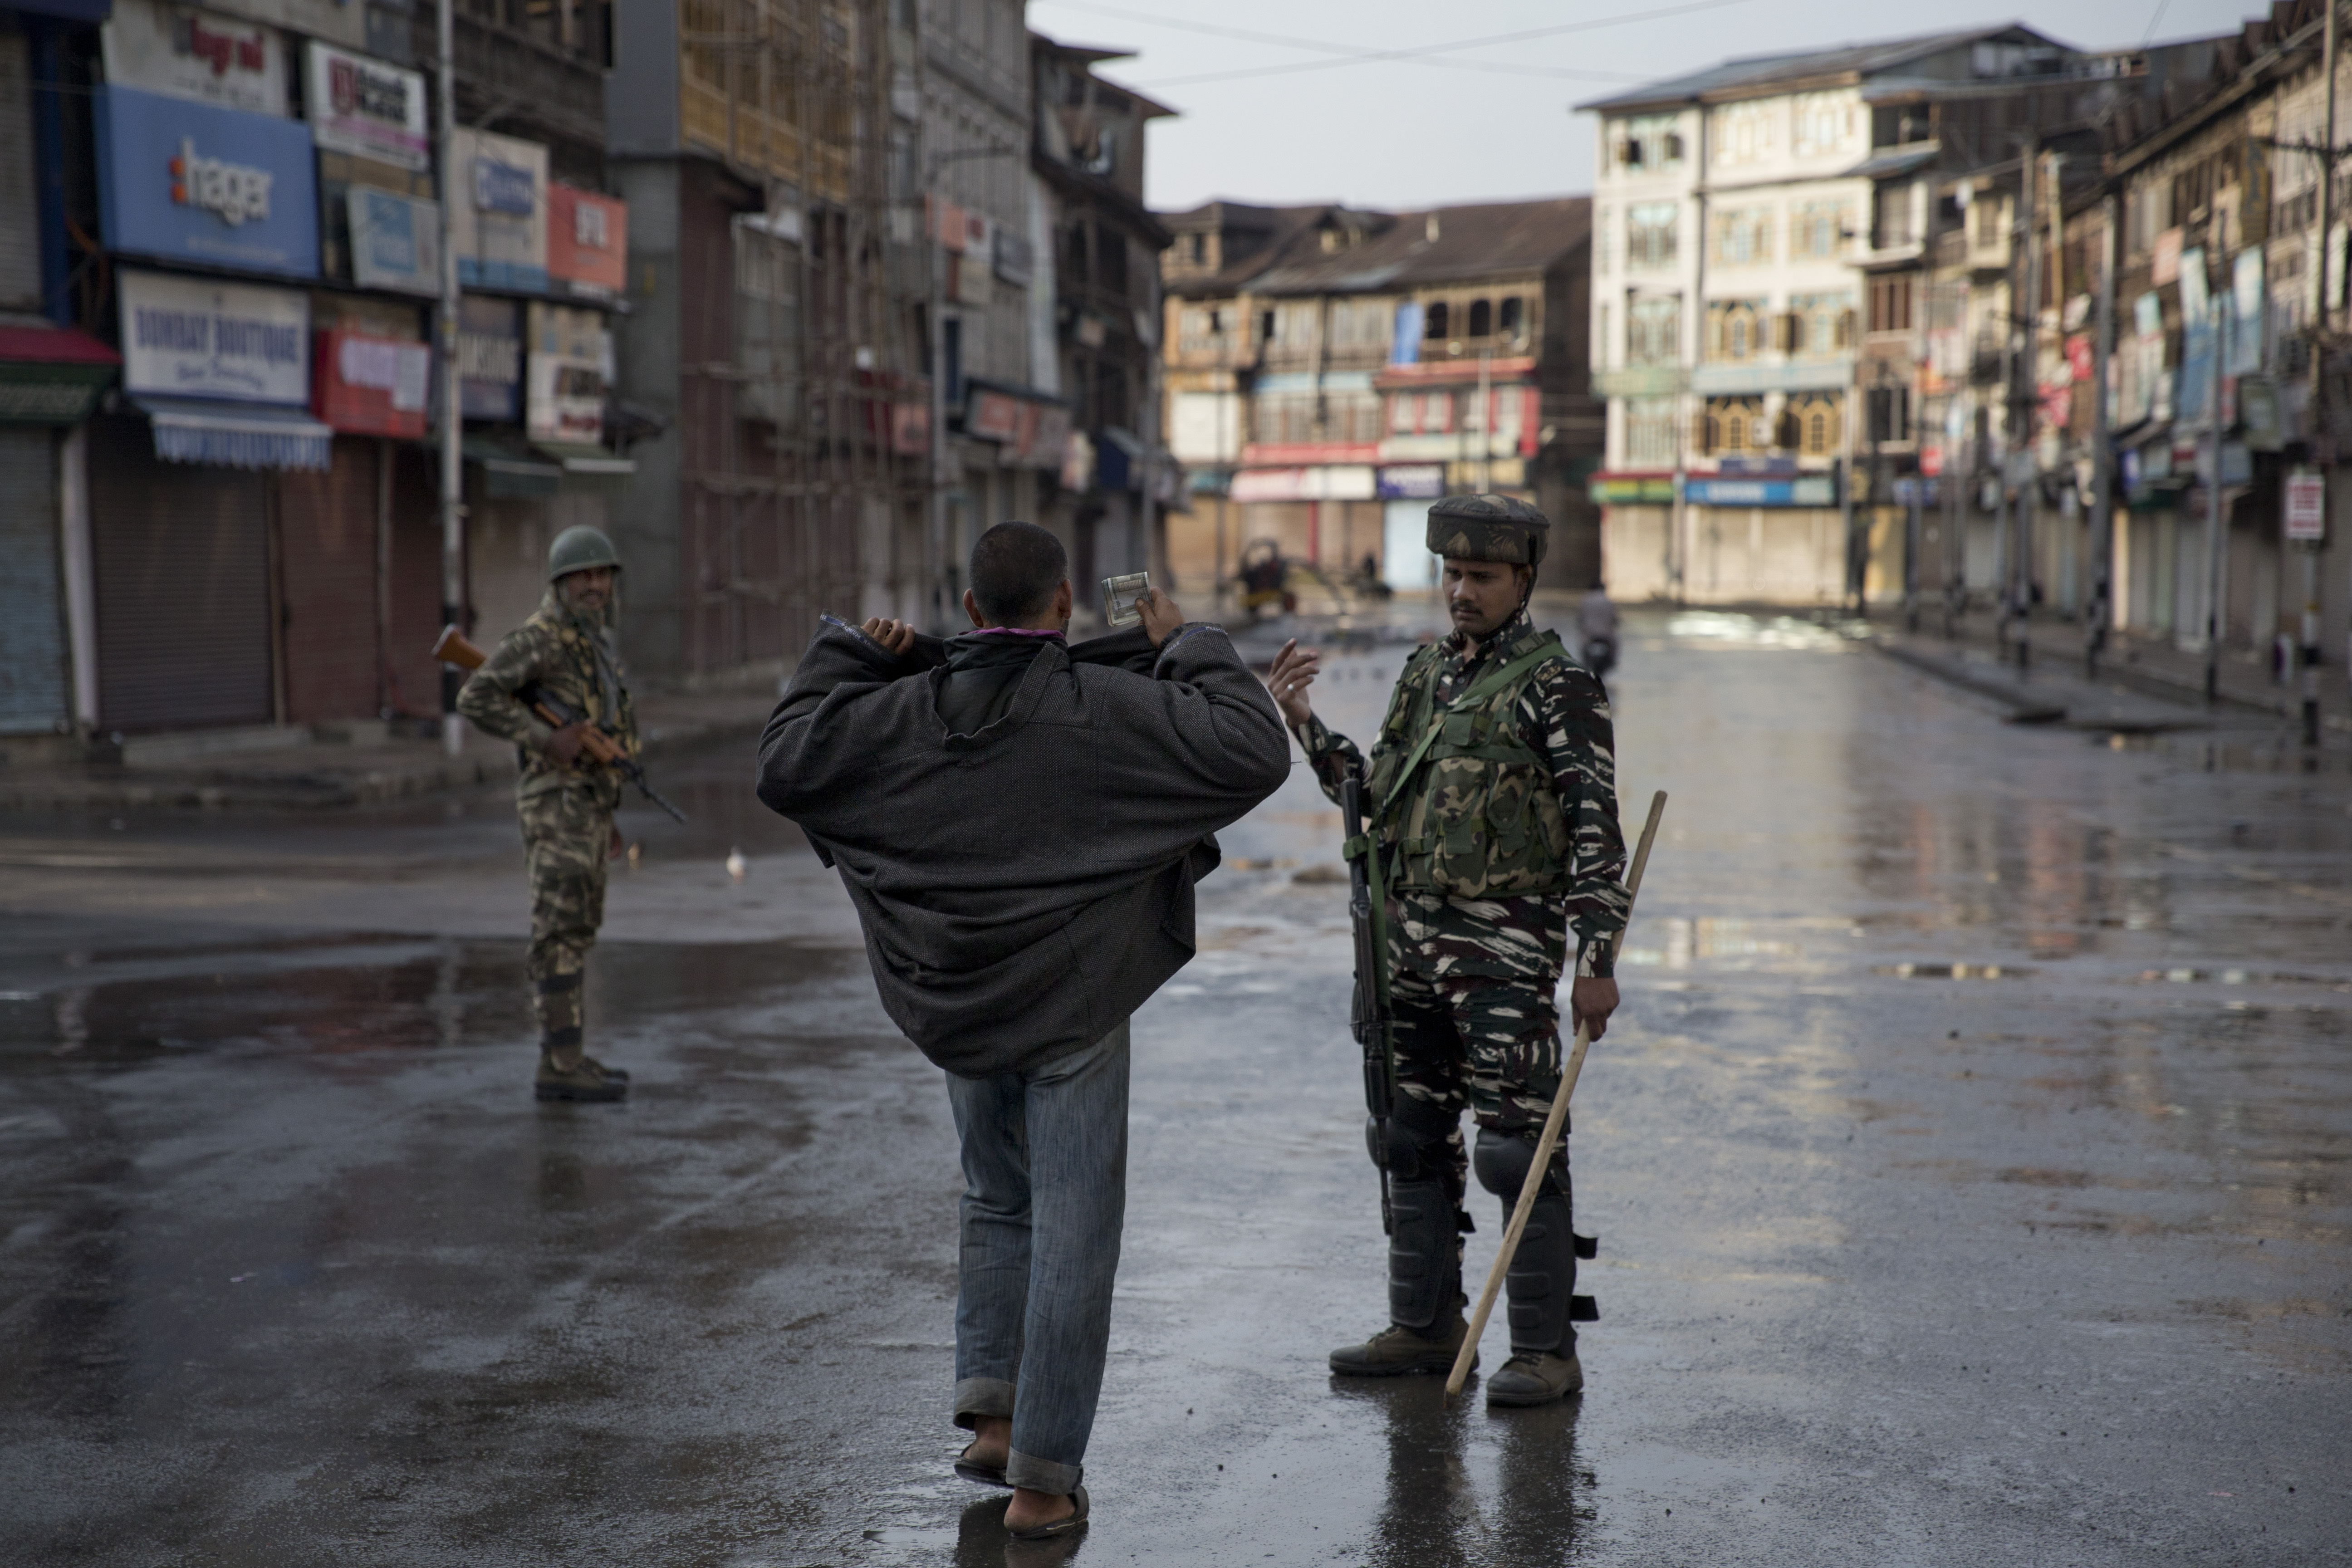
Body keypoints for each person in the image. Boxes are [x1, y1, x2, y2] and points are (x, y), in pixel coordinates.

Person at [755, 522, 1289, 1538]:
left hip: (959, 996)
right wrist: (1187, 641)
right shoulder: (1107, 708)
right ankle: (1043, 1483)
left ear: (966, 613)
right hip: (1074, 1005)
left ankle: (993, 1419)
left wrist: (852, 650)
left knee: (998, 1197)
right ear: (1065, 609)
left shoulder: (904, 711)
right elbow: (1253, 748)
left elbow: (787, 760)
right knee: (1074, 1230)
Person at [1266, 494, 1629, 1408]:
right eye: (1454, 574)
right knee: (1408, 1136)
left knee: (1516, 1148)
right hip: (1410, 949)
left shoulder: (1559, 687)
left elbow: (1596, 834)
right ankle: (1425, 1327)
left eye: (1482, 576)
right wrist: (1304, 721)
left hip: (1504, 953)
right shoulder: (1426, 674)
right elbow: (1373, 796)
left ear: (1523, 580)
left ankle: (1545, 1350)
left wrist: (1596, 966)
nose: (1461, 592)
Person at [456, 525, 638, 1104]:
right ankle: (558, 1065)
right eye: (581, 577)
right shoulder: (541, 640)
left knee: (578, 930)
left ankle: (570, 1056)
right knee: (557, 932)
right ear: (560, 584)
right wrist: (542, 738)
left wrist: (607, 813)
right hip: (554, 806)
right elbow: (475, 696)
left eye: (601, 575)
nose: (594, 586)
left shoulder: (594, 644)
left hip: (585, 806)